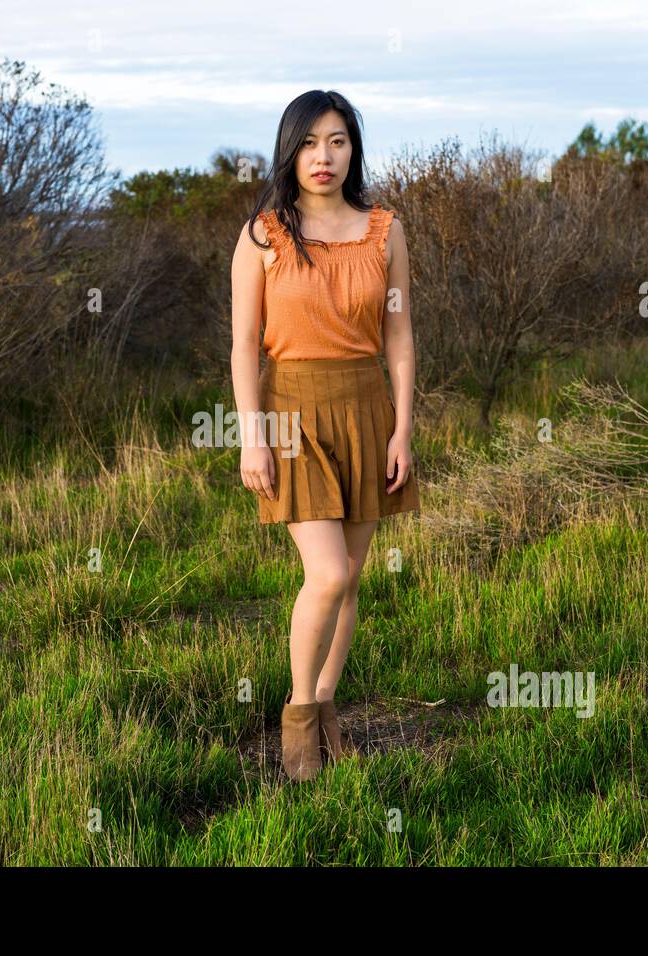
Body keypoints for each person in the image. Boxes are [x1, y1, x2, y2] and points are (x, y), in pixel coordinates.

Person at [229, 90, 421, 782]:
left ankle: (328, 716)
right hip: (292, 413)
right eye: (310, 142)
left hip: (366, 408)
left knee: (351, 579)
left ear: (353, 151)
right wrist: (253, 437)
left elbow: (398, 338)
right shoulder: (262, 236)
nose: (323, 156)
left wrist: (403, 427)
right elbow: (243, 348)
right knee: (328, 572)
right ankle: (297, 727)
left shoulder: (383, 230)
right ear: (290, 149)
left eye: (337, 141)